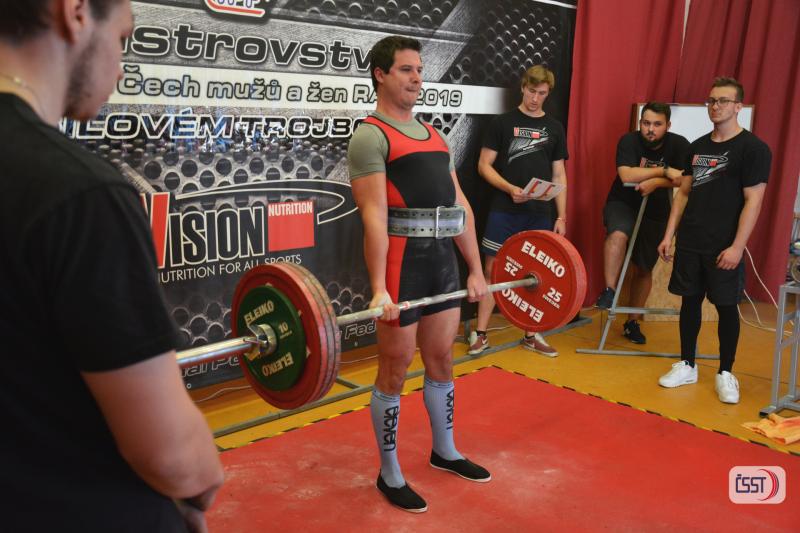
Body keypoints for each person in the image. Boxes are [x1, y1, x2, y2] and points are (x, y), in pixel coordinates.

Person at [0, 1, 224, 531]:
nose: (121, 68)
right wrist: (203, 479)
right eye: (122, 40)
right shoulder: (79, 191)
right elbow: (171, 455)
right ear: (75, 12)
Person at [347, 35, 491, 513]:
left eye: (419, 70)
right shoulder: (371, 136)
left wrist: (475, 269)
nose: (416, 78)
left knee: (442, 358)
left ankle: (444, 451)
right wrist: (378, 289)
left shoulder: (434, 135)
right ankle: (389, 473)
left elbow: (460, 205)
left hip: (442, 263)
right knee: (395, 368)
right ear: (381, 74)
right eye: (406, 69)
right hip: (401, 264)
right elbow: (373, 216)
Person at [657, 77, 771, 404]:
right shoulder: (696, 147)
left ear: (738, 107)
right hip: (691, 240)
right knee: (689, 302)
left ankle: (725, 372)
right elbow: (683, 193)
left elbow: (754, 201)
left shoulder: (754, 149)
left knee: (725, 307)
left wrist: (737, 247)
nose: (715, 106)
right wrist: (669, 234)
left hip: (724, 245)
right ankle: (687, 364)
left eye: (723, 101)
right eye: (711, 101)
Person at [468, 65, 567, 357]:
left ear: (548, 94)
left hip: (540, 211)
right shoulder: (502, 122)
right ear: (523, 87)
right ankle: (480, 333)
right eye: (532, 91)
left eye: (542, 93)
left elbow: (559, 174)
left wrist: (561, 216)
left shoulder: (555, 127)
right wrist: (510, 188)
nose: (535, 98)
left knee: (536, 275)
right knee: (492, 269)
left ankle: (531, 334)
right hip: (504, 208)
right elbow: (483, 165)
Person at [594, 102, 690, 344]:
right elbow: (626, 175)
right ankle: (609, 290)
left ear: (668, 125)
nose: (650, 129)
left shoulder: (679, 144)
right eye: (646, 123)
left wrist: (656, 182)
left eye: (657, 124)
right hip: (623, 202)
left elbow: (685, 179)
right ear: (640, 123)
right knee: (618, 234)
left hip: (657, 211)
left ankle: (632, 322)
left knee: (644, 268)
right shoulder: (629, 141)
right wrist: (664, 171)